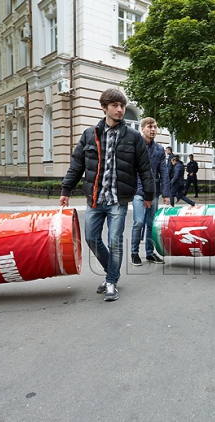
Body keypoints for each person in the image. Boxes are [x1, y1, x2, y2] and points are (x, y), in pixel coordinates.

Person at [60, 88, 154, 302]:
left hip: (117, 201)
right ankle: (113, 271)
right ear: (104, 108)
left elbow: (145, 169)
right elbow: (77, 165)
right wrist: (66, 190)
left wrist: (148, 194)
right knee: (91, 238)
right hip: (95, 199)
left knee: (115, 241)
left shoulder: (133, 137)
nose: (120, 110)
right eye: (115, 106)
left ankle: (111, 280)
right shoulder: (89, 134)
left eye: (122, 106)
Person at [130, 117, 171, 266]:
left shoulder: (159, 149)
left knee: (151, 224)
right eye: (149, 127)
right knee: (139, 222)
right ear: (142, 129)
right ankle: (134, 252)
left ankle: (149, 253)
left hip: (153, 192)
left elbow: (164, 172)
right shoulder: (135, 146)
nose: (153, 129)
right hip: (138, 191)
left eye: (155, 127)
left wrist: (166, 194)